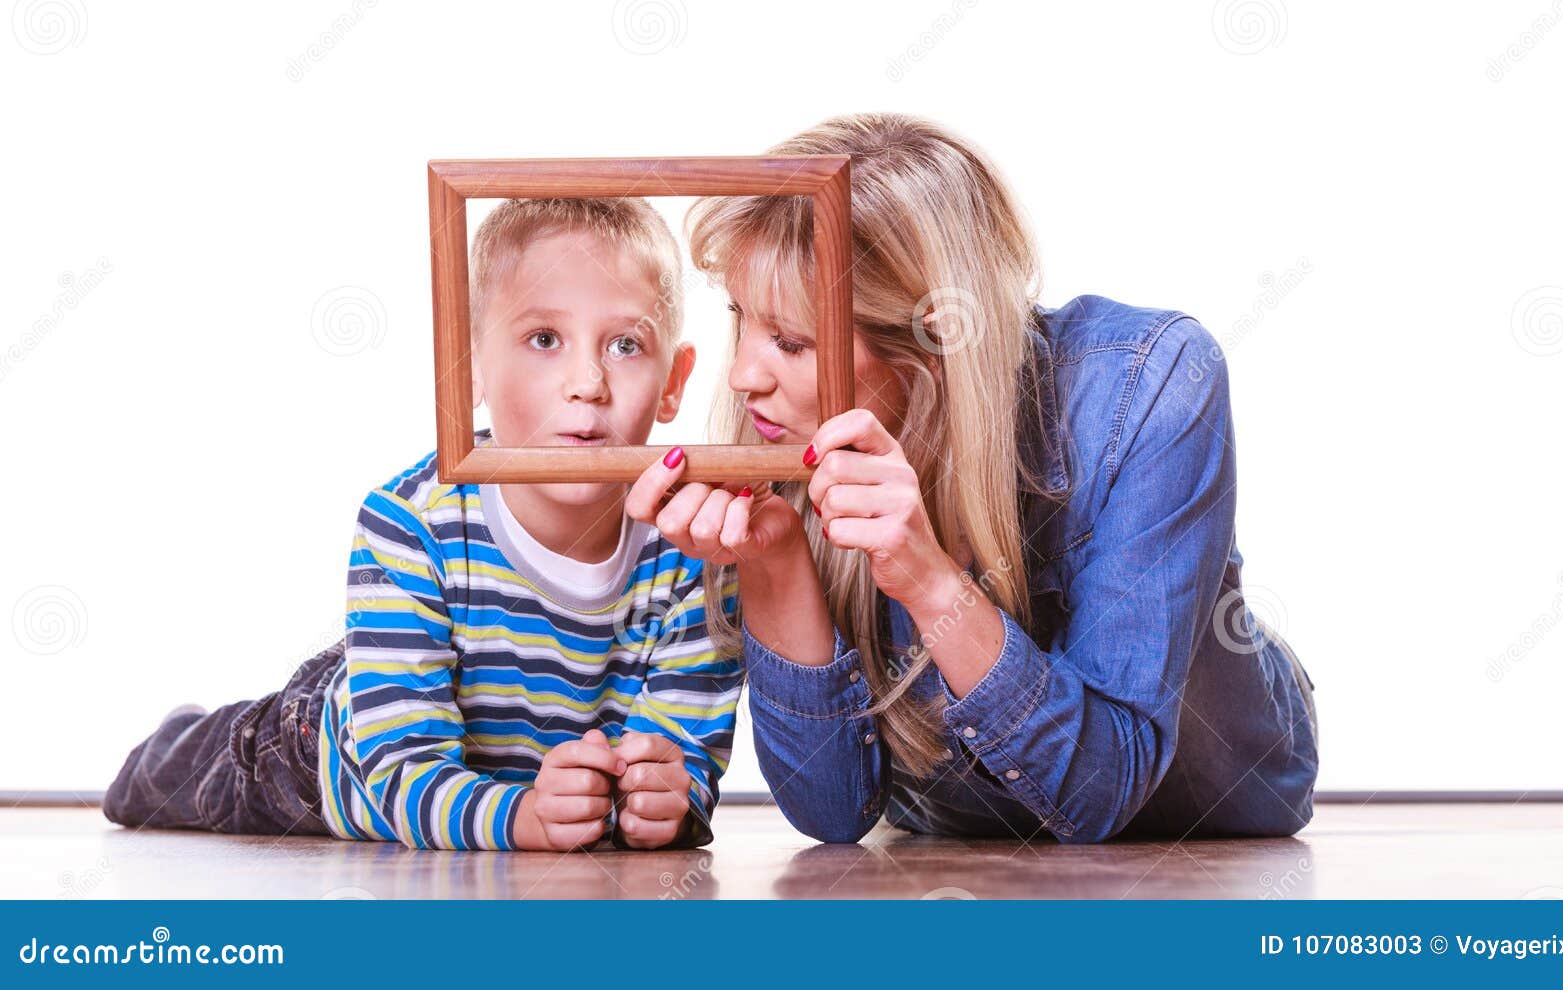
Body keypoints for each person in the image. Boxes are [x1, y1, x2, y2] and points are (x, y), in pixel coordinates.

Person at [626, 112, 1319, 843]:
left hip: (1214, 801)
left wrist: (928, 584)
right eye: (744, 319)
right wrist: (777, 562)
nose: (741, 377)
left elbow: (1103, 791)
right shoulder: (781, 440)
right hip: (954, 824)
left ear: (930, 345)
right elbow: (832, 816)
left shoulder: (1152, 381)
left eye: (792, 342)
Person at [102, 197, 742, 851]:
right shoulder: (411, 522)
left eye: (626, 345)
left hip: (523, 787)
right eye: (544, 339)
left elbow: (688, 765)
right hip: (330, 754)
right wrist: (521, 819)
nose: (587, 382)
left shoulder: (698, 546)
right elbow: (402, 769)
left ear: (674, 380)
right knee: (174, 780)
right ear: (471, 366)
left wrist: (666, 800)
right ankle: (176, 740)